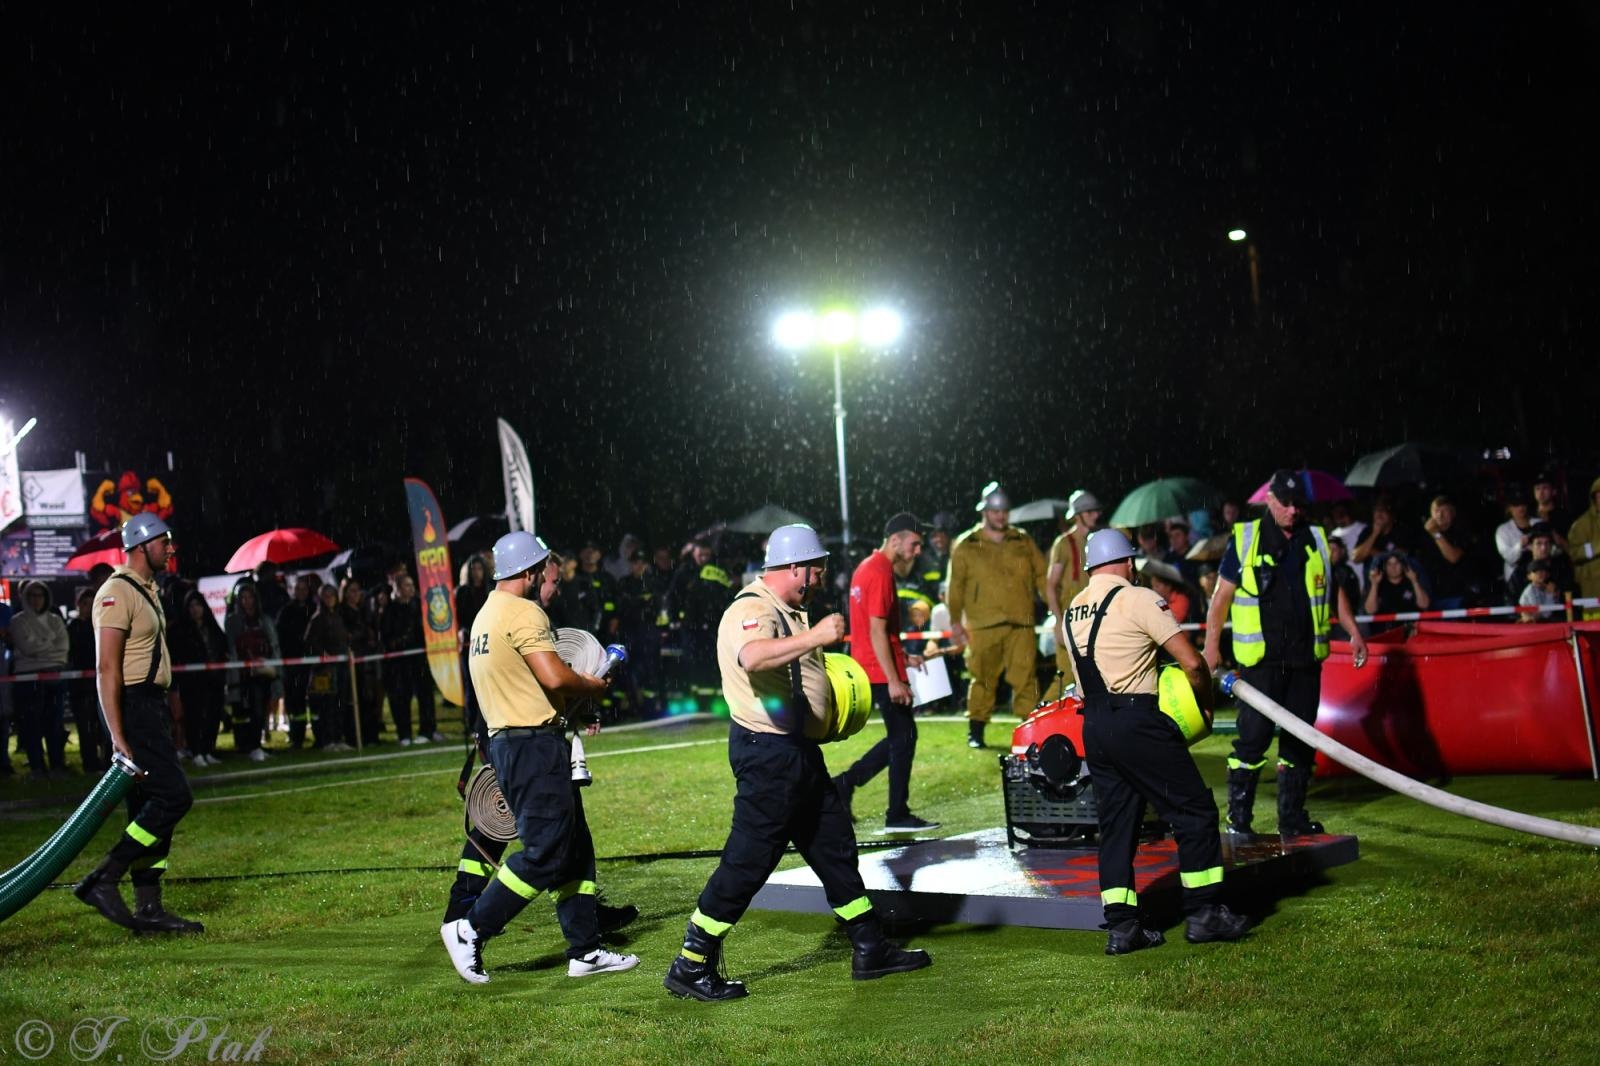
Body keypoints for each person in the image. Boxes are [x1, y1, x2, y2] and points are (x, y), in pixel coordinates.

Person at [663, 524, 930, 1002]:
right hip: (770, 757)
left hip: (794, 753)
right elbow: (753, 656)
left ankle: (869, 946)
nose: (821, 576)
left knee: (834, 847)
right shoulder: (753, 607)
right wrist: (817, 637)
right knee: (747, 863)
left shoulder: (786, 608)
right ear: (795, 568)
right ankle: (691, 961)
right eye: (816, 568)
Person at [441, 532, 636, 985]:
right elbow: (552, 676)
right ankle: (471, 928)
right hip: (533, 744)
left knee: (575, 849)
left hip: (510, 740)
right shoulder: (525, 611)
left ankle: (584, 950)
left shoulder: (487, 613)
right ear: (530, 571)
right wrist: (591, 685)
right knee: (546, 853)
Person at [1064, 529, 1249, 954]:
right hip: (1137, 720)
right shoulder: (1140, 598)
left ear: (1091, 566)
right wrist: (1203, 705)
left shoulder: (1073, 608)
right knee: (1194, 810)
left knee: (1117, 827)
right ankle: (1204, 913)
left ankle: (1122, 927)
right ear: (1129, 563)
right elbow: (1192, 664)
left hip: (1095, 724)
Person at [1203, 470, 1368, 836]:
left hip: (1305, 659)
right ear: (1270, 500)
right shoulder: (1246, 538)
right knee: (1253, 740)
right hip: (1261, 662)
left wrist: (1353, 630)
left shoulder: (1316, 538)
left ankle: (1292, 818)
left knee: (1301, 741)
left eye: (1299, 504)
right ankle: (1238, 820)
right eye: (1286, 503)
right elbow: (1221, 599)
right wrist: (1211, 647)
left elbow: (1332, 589)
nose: (1293, 511)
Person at [74, 514, 202, 934]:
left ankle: (149, 908)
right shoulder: (115, 591)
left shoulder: (149, 590)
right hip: (131, 707)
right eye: (164, 542)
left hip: (150, 704)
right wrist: (117, 734)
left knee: (147, 808)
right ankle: (104, 878)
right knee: (174, 797)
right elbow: (106, 667)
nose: (171, 548)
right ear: (141, 546)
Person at [833, 513, 941, 834]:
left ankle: (847, 785)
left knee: (900, 737)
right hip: (880, 671)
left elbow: (875, 631)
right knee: (904, 737)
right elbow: (878, 631)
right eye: (915, 544)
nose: (918, 551)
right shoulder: (879, 571)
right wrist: (894, 678)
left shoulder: (867, 567)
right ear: (895, 540)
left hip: (875, 665)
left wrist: (904, 658)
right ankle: (894, 812)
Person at [947, 482, 1047, 749]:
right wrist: (955, 621)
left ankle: (1031, 732)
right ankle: (976, 730)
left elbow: (1042, 576)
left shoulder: (1023, 541)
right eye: (995, 511)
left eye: (1004, 510)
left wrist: (1057, 611)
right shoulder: (966, 545)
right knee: (982, 679)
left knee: (1026, 679)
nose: (1000, 515)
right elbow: (955, 587)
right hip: (982, 625)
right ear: (984, 512)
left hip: (1020, 622)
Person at [1044, 489, 1102, 702]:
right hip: (1071, 619)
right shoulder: (1064, 543)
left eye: (1096, 511)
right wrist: (1058, 622)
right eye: (1090, 511)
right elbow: (1050, 585)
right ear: (1078, 515)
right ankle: (1039, 716)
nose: (1096, 515)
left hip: (1093, 616)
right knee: (1067, 675)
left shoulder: (1097, 540)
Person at [11, 580, 71, 778]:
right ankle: (37, 767)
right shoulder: (18, 621)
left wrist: (39, 647)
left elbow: (63, 649)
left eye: (40, 595)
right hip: (28, 680)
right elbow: (26, 648)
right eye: (32, 595)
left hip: (55, 677)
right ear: (26, 598)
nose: (37, 600)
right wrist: (50, 643)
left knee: (54, 724)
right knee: (31, 724)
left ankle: (57, 766)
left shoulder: (55, 619)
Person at [665, 537, 736, 701]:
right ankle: (696, 697)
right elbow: (673, 596)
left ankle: (716, 696)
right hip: (691, 625)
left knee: (714, 660)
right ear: (694, 553)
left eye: (706, 554)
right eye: (700, 554)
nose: (703, 557)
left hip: (714, 624)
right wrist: (673, 619)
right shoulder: (684, 570)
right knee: (693, 661)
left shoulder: (718, 570)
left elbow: (727, 595)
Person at [225, 581, 282, 762]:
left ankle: (256, 744)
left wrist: (273, 666)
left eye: (249, 597)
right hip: (244, 674)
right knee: (248, 711)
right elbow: (232, 647)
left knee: (261, 709)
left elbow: (273, 645)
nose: (246, 601)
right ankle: (249, 746)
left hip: (264, 673)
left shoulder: (264, 620)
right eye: (243, 598)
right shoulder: (233, 621)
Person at [381, 572, 440, 746]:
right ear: (397, 589)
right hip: (400, 662)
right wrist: (400, 642)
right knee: (401, 697)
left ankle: (428, 730)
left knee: (425, 694)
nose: (411, 588)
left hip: (419, 658)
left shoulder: (419, 605)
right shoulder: (390, 610)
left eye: (411, 584)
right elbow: (386, 637)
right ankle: (404, 733)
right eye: (406, 585)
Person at [171, 590, 228, 766]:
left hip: (214, 680)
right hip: (193, 682)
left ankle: (208, 750)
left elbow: (222, 648)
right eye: (192, 606)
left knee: (213, 715)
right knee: (194, 717)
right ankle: (196, 751)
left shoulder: (212, 628)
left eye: (198, 605)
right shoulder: (181, 631)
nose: (195, 609)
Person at [303, 583, 354, 750]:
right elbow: (309, 641)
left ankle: (338, 738)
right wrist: (322, 653)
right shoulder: (317, 618)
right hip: (325, 669)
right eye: (326, 595)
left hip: (341, 666)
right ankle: (327, 740)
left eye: (332, 595)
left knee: (341, 702)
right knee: (327, 704)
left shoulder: (338, 616)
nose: (330, 598)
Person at [66, 587, 110, 772]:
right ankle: (90, 764)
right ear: (79, 605)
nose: (90, 607)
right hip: (81, 686)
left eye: (93, 603)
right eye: (85, 603)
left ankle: (108, 763)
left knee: (105, 728)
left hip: (102, 685)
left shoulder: (103, 626)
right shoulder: (73, 627)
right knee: (86, 728)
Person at [276, 574, 318, 750]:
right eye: (297, 589)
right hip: (293, 663)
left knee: (316, 700)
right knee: (295, 701)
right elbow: (280, 636)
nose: (301, 592)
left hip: (313, 662)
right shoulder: (286, 611)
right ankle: (297, 737)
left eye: (304, 588)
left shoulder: (315, 608)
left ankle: (321, 736)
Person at [1416, 496, 1472, 610]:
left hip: (1455, 594)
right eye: (1436, 511)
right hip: (1430, 594)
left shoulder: (1461, 532)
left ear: (1453, 513)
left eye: (1444, 511)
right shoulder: (1423, 536)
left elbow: (1453, 557)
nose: (1440, 515)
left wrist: (1436, 533)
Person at [1364, 552, 1430, 634]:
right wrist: (1374, 585)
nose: (1393, 567)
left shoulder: (1412, 580)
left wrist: (1414, 581)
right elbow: (1370, 610)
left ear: (1402, 565)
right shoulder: (1379, 583)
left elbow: (1424, 605)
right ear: (1384, 567)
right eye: (1389, 564)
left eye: (1397, 563)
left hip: (1411, 631)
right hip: (1387, 632)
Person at [1567, 477, 1600, 620]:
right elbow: (1573, 552)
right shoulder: (1581, 525)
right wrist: (1596, 547)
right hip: (1594, 589)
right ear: (1594, 498)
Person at [1494, 493, 1536, 587]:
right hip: (1515, 579)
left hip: (1539, 576)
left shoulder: (1538, 523)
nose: (1520, 508)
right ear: (1510, 508)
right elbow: (1509, 557)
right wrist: (1520, 545)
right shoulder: (1503, 530)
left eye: (1523, 504)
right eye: (1516, 505)